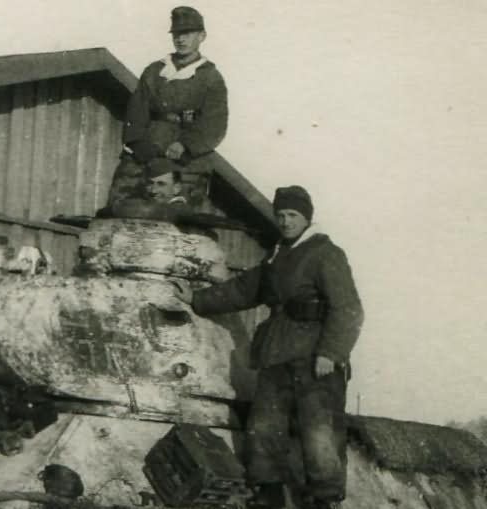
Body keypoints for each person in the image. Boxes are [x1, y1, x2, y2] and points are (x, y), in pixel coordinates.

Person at [172, 186, 364, 509]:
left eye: (293, 216)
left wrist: (330, 353)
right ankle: (268, 497)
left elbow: (348, 309)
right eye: (281, 215)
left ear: (307, 218)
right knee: (263, 430)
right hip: (276, 354)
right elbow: (246, 289)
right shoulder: (279, 255)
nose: (286, 221)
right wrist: (196, 298)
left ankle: (326, 501)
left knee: (320, 435)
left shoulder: (325, 253)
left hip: (315, 357)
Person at [101, 5, 228, 216]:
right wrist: (140, 145)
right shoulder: (154, 71)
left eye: (187, 34)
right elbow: (136, 112)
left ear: (201, 36)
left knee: (184, 213)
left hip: (187, 156)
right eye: (177, 34)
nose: (181, 40)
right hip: (148, 147)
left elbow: (215, 123)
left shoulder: (211, 78)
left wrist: (186, 145)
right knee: (122, 205)